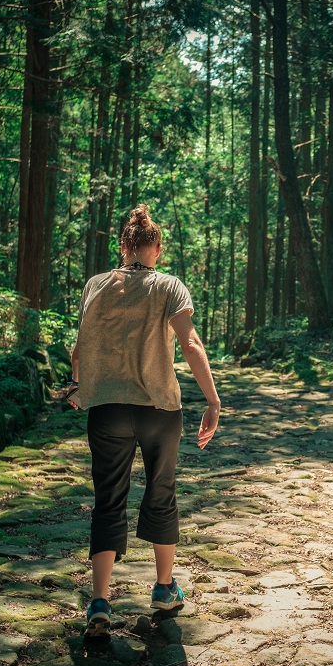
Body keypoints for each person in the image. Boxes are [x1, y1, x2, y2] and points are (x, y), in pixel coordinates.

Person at [69, 204, 221, 639]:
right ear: (156, 248)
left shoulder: (96, 285)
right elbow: (190, 343)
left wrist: (79, 386)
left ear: (124, 247)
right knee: (161, 493)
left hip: (108, 410)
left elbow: (81, 348)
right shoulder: (168, 286)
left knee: (107, 500)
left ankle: (99, 601)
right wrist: (212, 400)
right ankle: (162, 589)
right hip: (159, 410)